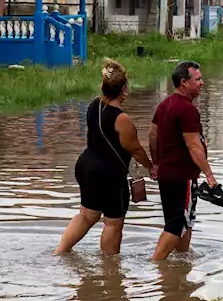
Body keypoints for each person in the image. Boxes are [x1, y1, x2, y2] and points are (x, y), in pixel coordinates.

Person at [57, 59, 154, 255]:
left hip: (85, 165)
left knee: (86, 215)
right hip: (108, 174)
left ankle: (60, 252)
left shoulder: (94, 105)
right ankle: (110, 271)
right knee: (113, 223)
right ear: (124, 89)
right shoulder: (121, 118)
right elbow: (135, 149)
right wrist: (151, 167)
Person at [151, 61, 220, 262]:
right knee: (176, 223)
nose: (202, 83)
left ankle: (181, 262)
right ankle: (156, 264)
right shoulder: (187, 110)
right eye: (197, 79)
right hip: (182, 176)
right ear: (183, 82)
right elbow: (193, 146)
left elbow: (153, 134)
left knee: (185, 221)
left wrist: (156, 163)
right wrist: (209, 175)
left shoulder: (164, 105)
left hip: (166, 174)